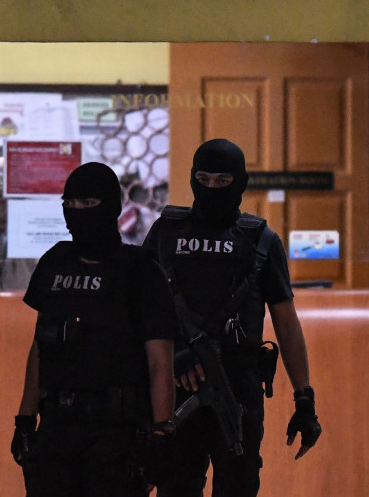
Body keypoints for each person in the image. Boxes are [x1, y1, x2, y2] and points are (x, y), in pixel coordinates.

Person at [143, 138, 322, 497]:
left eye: (222, 181)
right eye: (203, 178)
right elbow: (140, 310)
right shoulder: (165, 234)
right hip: (175, 390)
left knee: (238, 485)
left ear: (239, 183)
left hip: (237, 389)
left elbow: (286, 322)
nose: (211, 187)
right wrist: (175, 354)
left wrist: (304, 399)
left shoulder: (260, 240)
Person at [11, 162, 179, 496]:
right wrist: (26, 419)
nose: (77, 212)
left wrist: (162, 432)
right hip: (57, 428)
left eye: (88, 204)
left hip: (118, 434)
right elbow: (40, 348)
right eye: (69, 205)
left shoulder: (140, 270)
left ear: (111, 207)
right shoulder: (54, 262)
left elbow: (160, 361)